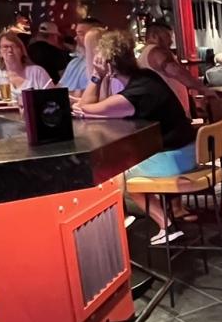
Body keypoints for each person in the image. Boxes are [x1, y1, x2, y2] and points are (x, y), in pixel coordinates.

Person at [74, 31, 197, 243]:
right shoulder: (147, 77)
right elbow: (90, 108)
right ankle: (164, 217)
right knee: (130, 166)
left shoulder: (134, 95)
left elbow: (85, 107)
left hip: (175, 158)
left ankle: (166, 226)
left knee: (128, 180)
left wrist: (97, 76)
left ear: (109, 65)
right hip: (188, 151)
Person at [0, 30, 54, 96]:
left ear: (21, 51)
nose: (10, 50)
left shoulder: (37, 72)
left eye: (14, 46)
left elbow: (53, 98)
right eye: (5, 47)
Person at [143, 23, 205, 114]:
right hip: (171, 112)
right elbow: (177, 72)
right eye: (167, 36)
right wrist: (203, 88)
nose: (171, 41)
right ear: (154, 36)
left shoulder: (145, 54)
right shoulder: (156, 52)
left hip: (165, 110)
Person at [59, 21, 102, 95]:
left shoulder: (101, 66)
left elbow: (94, 93)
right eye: (76, 34)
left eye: (81, 34)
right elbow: (59, 86)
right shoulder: (74, 62)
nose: (75, 38)